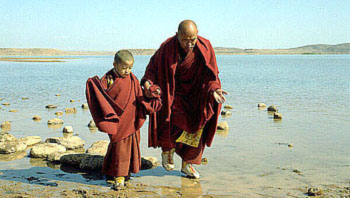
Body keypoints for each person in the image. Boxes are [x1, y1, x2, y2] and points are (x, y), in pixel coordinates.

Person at [141, 20, 227, 179]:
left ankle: (188, 164)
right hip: (174, 94)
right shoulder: (167, 47)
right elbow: (152, 67)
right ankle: (167, 151)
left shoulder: (205, 47)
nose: (189, 44)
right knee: (171, 123)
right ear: (177, 35)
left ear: (197, 34)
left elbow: (211, 74)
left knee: (198, 127)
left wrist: (214, 89)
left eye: (193, 39)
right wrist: (147, 82)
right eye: (185, 40)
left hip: (197, 95)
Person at [86, 50, 162, 189]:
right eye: (124, 68)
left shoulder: (133, 79)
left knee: (130, 146)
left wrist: (151, 95)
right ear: (115, 64)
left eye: (130, 68)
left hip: (131, 118)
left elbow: (140, 96)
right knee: (119, 147)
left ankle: (117, 172)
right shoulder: (108, 79)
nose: (127, 71)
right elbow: (102, 97)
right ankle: (119, 178)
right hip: (118, 120)